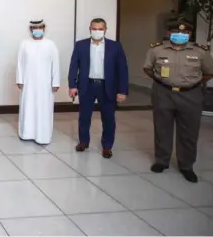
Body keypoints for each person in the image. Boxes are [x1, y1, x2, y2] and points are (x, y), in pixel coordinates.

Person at [143, 20, 213, 183]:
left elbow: (209, 72)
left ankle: (186, 166)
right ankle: (162, 161)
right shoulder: (157, 50)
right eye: (176, 33)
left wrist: (192, 84)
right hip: (163, 93)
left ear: (189, 34)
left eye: (184, 33)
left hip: (191, 95)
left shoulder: (200, 52)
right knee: (162, 128)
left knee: (189, 132)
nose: (180, 35)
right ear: (169, 34)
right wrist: (162, 81)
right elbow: (147, 68)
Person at [68, 18, 129, 158]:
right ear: (90, 29)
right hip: (87, 85)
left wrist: (122, 90)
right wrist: (72, 85)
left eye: (100, 29)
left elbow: (122, 70)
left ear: (105, 30)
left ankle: (107, 146)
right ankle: (83, 142)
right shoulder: (80, 45)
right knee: (84, 116)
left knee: (108, 118)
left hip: (107, 87)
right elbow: (73, 67)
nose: (97, 31)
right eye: (94, 28)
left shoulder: (115, 46)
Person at [16, 19, 60, 144]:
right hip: (28, 83)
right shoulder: (24, 43)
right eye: (35, 28)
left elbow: (55, 64)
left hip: (45, 84)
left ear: (44, 29)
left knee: (44, 108)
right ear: (31, 30)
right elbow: (20, 63)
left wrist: (55, 82)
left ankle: (43, 136)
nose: (38, 30)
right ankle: (26, 134)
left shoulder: (50, 44)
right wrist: (19, 79)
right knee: (28, 107)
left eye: (40, 28)